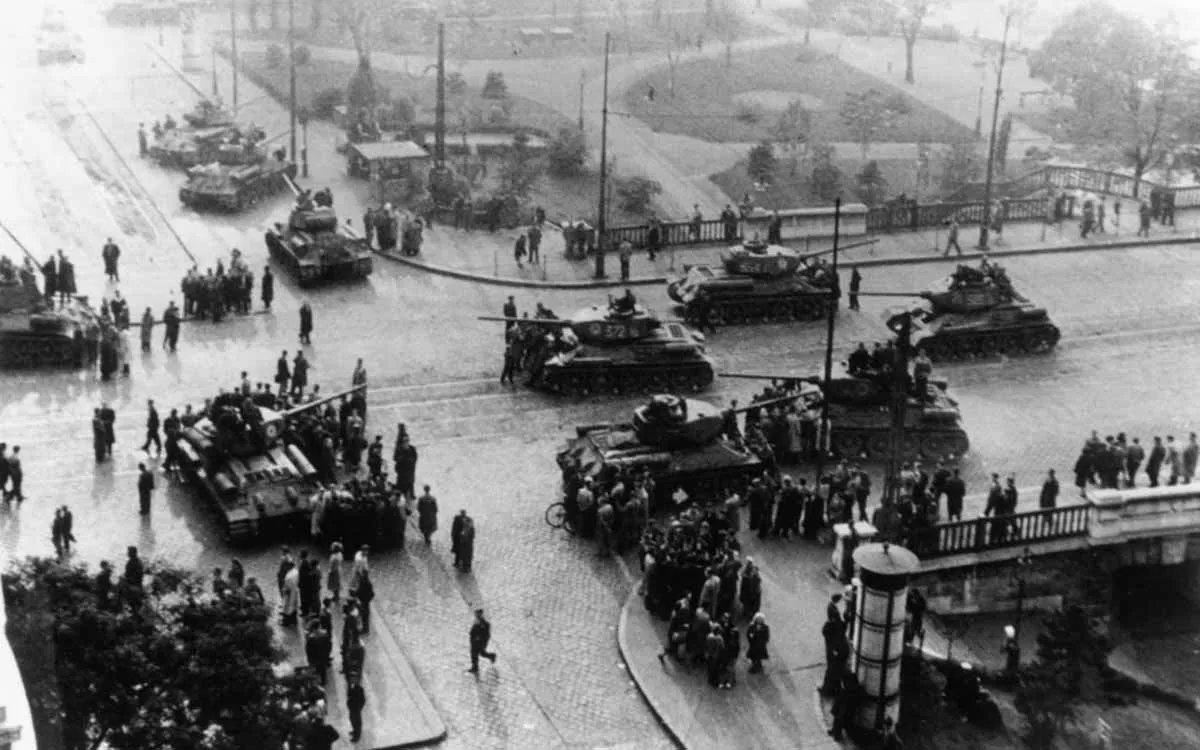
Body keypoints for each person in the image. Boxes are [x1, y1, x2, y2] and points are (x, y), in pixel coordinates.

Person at [468, 607, 497, 672]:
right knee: (482, 653)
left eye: (477, 613)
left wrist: (479, 639)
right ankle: (492, 656)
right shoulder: (477, 620)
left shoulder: (484, 623)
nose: (475, 614)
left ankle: (475, 667)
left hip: (479, 642)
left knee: (474, 654)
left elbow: (486, 634)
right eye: (475, 613)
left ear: (480, 614)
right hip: (475, 641)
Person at [346, 677, 366, 742]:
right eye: (351, 680)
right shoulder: (351, 687)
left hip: (356, 709)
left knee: (357, 723)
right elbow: (349, 695)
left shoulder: (360, 689)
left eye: (353, 680)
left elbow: (363, 700)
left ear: (357, 681)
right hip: (352, 708)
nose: (352, 681)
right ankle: (354, 731)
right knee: (352, 721)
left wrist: (359, 708)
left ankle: (356, 737)